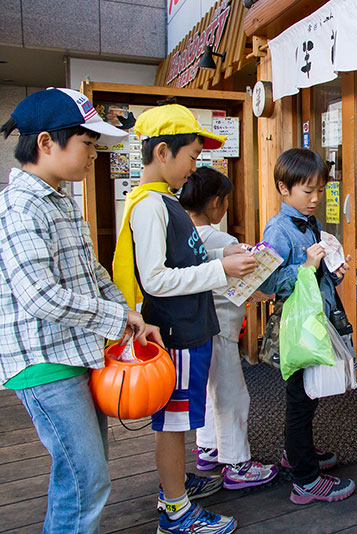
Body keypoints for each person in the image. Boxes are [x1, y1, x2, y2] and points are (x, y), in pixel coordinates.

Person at [0, 87, 162, 533]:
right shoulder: (21, 205)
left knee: (83, 475)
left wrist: (127, 315)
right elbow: (39, 295)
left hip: (70, 355)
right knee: (84, 479)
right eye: (88, 144)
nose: (94, 155)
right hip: (43, 362)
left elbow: (92, 273)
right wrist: (116, 318)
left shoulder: (59, 200)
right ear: (47, 143)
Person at [113, 104, 258, 534]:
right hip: (174, 330)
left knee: (180, 419)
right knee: (174, 423)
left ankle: (175, 484)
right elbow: (155, 279)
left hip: (187, 327)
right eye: (193, 157)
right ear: (162, 152)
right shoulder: (150, 206)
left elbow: (184, 258)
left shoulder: (164, 202)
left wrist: (221, 255)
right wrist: (221, 270)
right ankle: (175, 509)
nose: (194, 169)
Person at [260, 148, 355, 504]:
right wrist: (308, 268)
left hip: (316, 322)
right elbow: (266, 282)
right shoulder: (279, 228)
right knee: (300, 400)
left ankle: (298, 454)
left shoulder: (309, 221)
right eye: (306, 191)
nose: (315, 198)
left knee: (309, 396)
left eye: (320, 190)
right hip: (297, 327)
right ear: (284, 189)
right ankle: (304, 479)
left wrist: (331, 270)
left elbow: (314, 276)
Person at [179, 167, 278, 490]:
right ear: (217, 204)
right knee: (232, 394)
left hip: (196, 327)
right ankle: (237, 463)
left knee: (211, 390)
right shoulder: (222, 240)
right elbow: (246, 285)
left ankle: (208, 446)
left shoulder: (182, 236)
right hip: (221, 327)